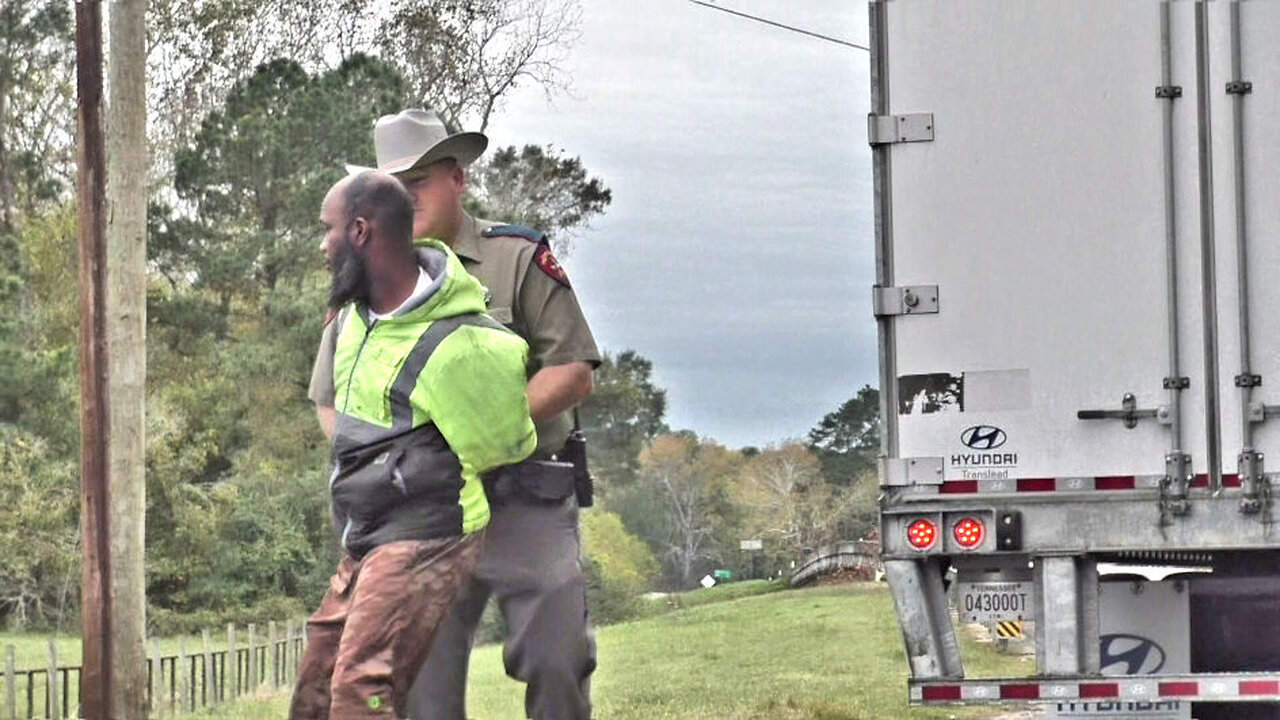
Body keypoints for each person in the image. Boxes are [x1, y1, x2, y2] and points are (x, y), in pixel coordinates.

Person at [309, 108, 601, 720]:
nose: (404, 197)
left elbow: (573, 370)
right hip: (422, 509)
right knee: (421, 687)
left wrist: (481, 431)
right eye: (392, 187)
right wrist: (384, 468)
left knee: (557, 663)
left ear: (458, 178)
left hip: (525, 498)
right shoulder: (367, 277)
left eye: (417, 182)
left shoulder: (515, 258)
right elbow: (331, 400)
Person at [290, 170, 537, 719]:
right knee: (317, 686)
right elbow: (345, 419)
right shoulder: (354, 321)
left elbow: (505, 443)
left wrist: (411, 465)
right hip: (367, 532)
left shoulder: (462, 342)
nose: (321, 244)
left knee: (361, 688)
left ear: (359, 231)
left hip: (428, 530)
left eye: (327, 229)